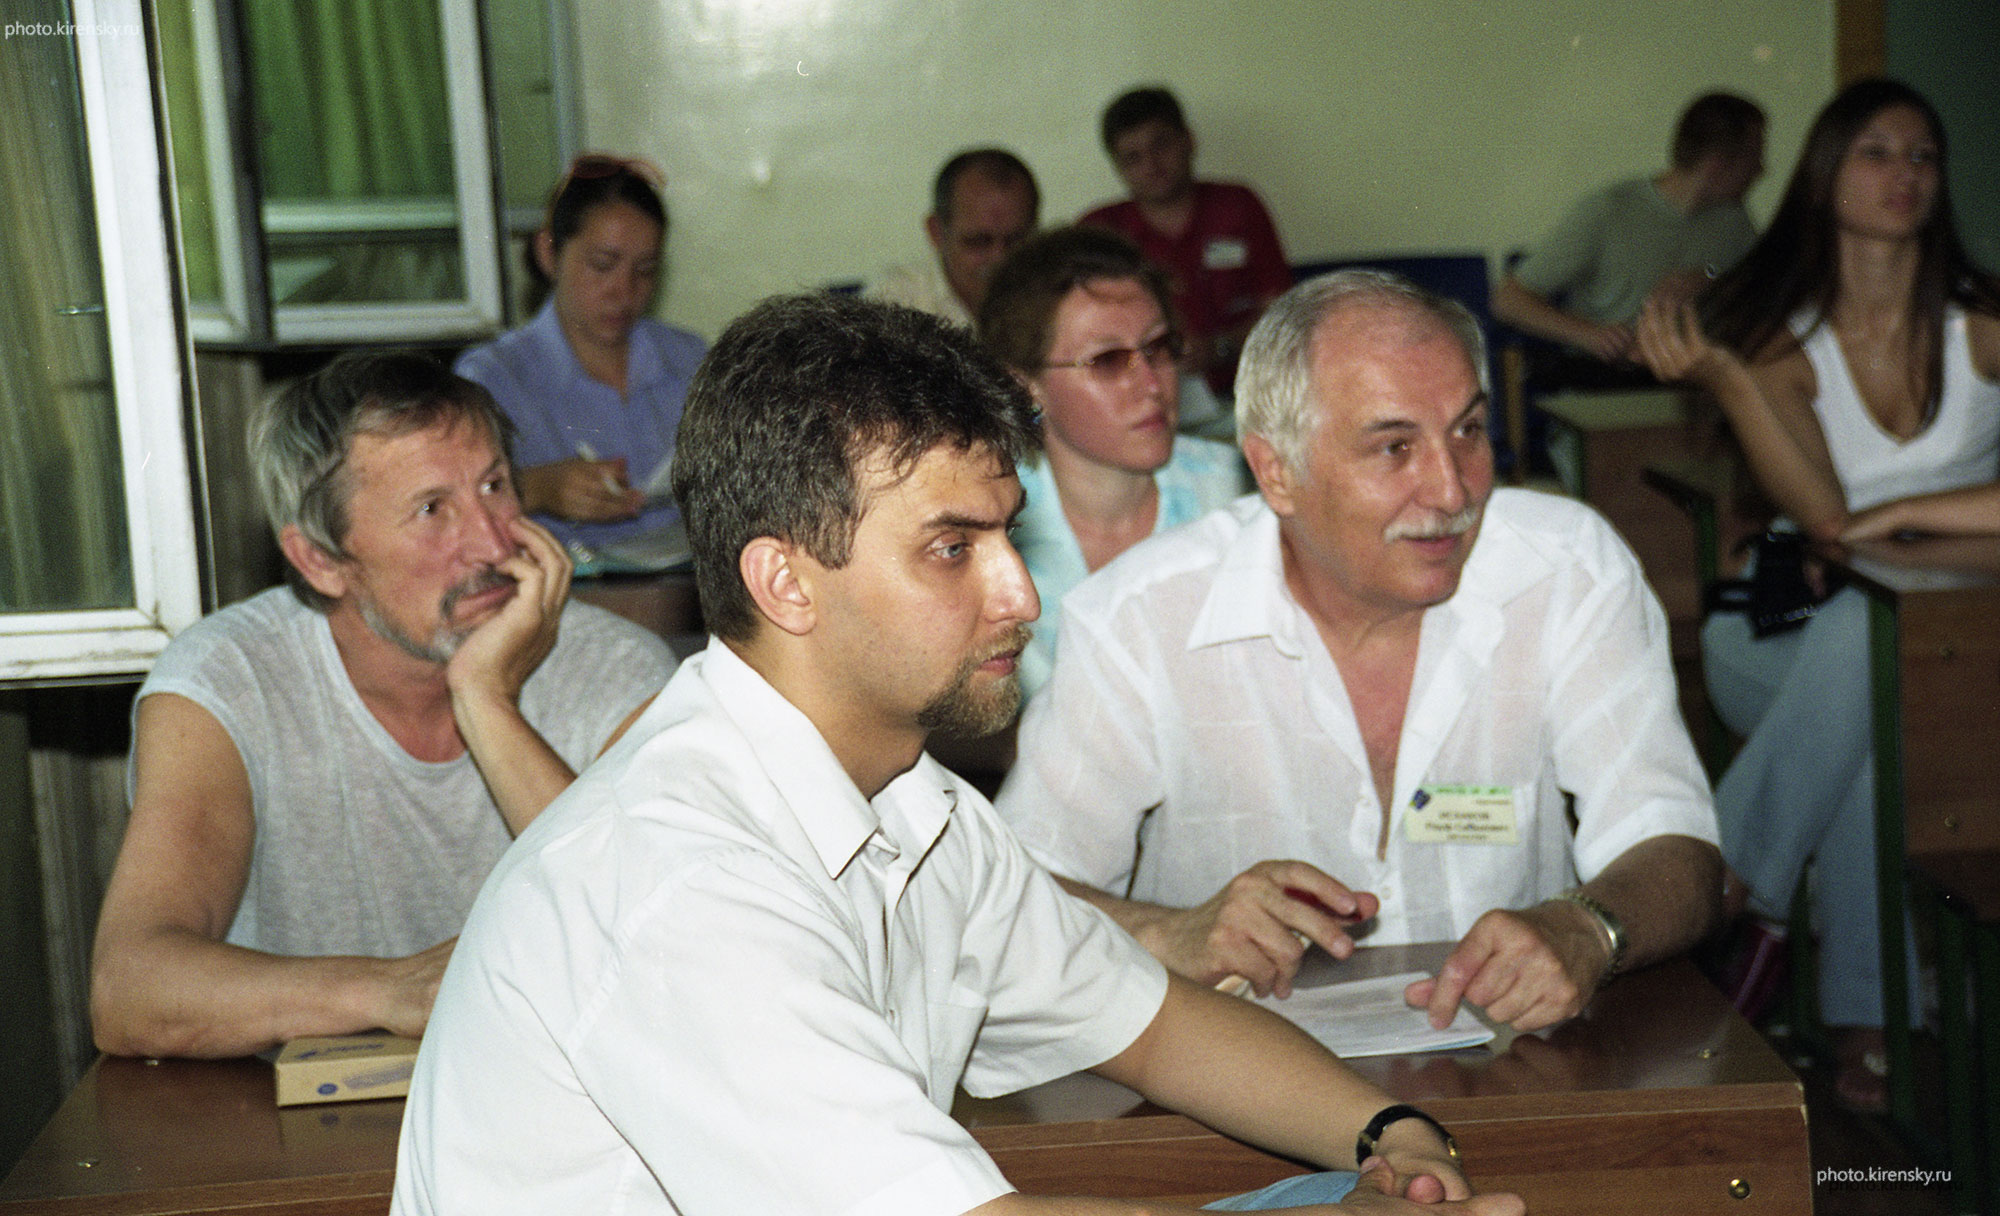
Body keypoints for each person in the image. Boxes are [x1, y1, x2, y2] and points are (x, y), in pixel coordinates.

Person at [391, 294, 1524, 1216]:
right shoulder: (676, 878)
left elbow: (1157, 1025)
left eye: (1006, 534)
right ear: (784, 581)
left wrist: (1393, 1135)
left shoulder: (916, 810)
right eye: (951, 548)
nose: (1020, 593)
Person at [997, 270, 1723, 1032]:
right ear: (1277, 471)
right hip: (1232, 1078)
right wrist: (1170, 934)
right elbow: (1009, 900)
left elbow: (1676, 846)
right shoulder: (1143, 619)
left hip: (1516, 1066)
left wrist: (1587, 929)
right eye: (1394, 447)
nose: (1452, 491)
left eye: (1468, 431)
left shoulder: (1566, 570)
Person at [88, 352, 675, 1060]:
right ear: (322, 561)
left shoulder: (618, 668)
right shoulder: (228, 681)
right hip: (287, 1118)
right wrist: (393, 991)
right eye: (432, 510)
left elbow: (670, 951)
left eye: (495, 486)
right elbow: (129, 988)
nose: (492, 543)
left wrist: (486, 699)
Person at [1636, 77, 2000, 1109]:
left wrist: (1913, 514)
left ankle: (1728, 883)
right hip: (1781, 638)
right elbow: (1822, 515)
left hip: (1943, 654)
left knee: (1870, 704)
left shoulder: (1980, 327)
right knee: (1861, 634)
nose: (1904, 173)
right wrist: (1729, 381)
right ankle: (1869, 1014)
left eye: (1922, 155)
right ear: (1825, 175)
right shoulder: (1778, 340)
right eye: (1875, 152)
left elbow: (1853, 527)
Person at [978, 226, 1249, 694]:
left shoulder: (1240, 493)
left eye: (1158, 347)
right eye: (1107, 360)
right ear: (1025, 386)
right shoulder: (985, 525)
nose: (1152, 384)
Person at [455, 153, 706, 552]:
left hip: (684, 579)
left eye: (645, 270)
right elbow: (452, 505)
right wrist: (538, 488)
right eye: (602, 265)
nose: (624, 291)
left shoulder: (689, 358)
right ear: (548, 253)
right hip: (564, 586)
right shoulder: (494, 377)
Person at [1495, 92, 1765, 378]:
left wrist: (1712, 278)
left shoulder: (1734, 221)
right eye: (1754, 157)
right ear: (1718, 164)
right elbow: (1508, 300)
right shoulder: (1608, 211)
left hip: (1698, 379)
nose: (1762, 170)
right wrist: (1591, 335)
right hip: (1608, 377)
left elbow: (1766, 292)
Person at [1081, 86, 1292, 395]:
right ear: (1118, 167)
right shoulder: (1100, 230)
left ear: (1188, 140)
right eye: (1133, 158)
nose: (1151, 165)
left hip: (1250, 388)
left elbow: (1280, 311)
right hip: (1142, 395)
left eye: (1161, 145)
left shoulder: (1238, 207)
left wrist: (1220, 347)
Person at [866, 146, 1040, 327]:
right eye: (979, 242)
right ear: (936, 232)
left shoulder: (1052, 299)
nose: (999, 257)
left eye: (1016, 241)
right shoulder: (894, 306)